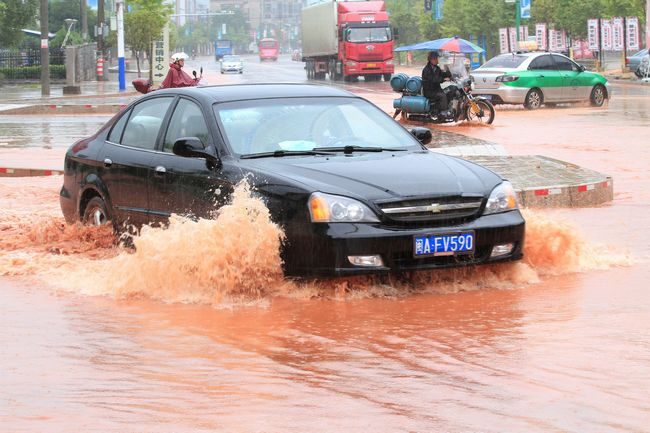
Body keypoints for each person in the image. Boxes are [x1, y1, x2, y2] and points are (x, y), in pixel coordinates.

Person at [421, 51, 452, 116]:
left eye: (438, 58)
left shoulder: (437, 68)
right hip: (429, 91)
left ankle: (448, 108)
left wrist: (449, 71)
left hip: (437, 90)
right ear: (432, 59)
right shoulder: (426, 70)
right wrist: (443, 79)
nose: (438, 60)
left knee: (451, 89)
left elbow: (443, 74)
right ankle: (443, 112)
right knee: (442, 95)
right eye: (436, 59)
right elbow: (433, 79)